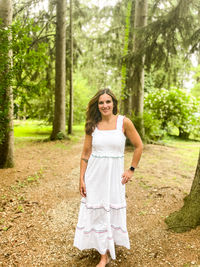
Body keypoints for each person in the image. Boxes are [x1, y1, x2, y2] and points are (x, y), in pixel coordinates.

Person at [73, 88, 143, 267]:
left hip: (114, 178)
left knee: (110, 210)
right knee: (97, 212)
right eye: (101, 102)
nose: (105, 105)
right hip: (94, 176)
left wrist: (131, 169)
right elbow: (85, 153)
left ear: (114, 103)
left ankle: (109, 244)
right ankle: (103, 256)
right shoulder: (92, 125)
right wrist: (81, 178)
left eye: (108, 102)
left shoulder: (124, 122)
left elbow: (138, 146)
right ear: (97, 106)